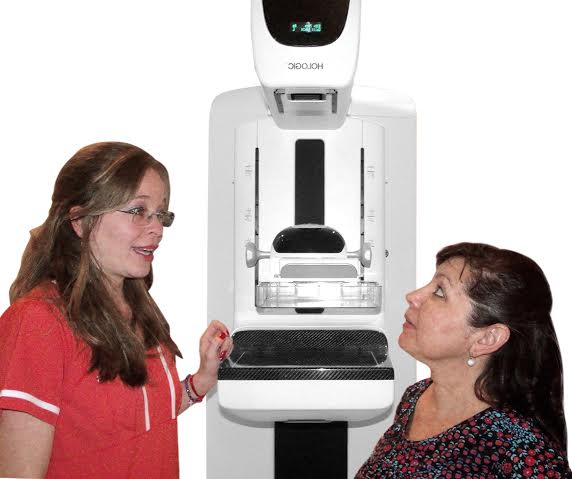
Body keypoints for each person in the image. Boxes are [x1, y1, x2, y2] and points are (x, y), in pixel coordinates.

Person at [0, 142, 232, 478]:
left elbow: (133, 419)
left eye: (161, 214)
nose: (157, 229)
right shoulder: (38, 322)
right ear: (80, 221)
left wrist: (201, 381)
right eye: (138, 210)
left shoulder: (139, 310)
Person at [356, 242, 571, 479]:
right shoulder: (415, 397)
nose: (413, 296)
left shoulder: (525, 451)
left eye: (440, 292)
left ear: (487, 339)